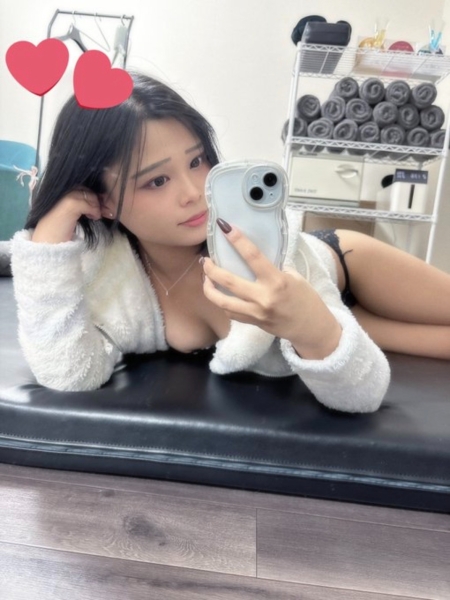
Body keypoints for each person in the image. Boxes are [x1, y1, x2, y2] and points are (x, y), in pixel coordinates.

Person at [10, 72, 450, 413]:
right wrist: (47, 240)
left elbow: (365, 393)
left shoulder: (277, 254)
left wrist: (310, 324)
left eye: (197, 160)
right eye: (157, 181)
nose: (193, 191)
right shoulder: (108, 277)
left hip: (343, 262)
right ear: (102, 201)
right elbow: (69, 373)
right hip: (336, 317)